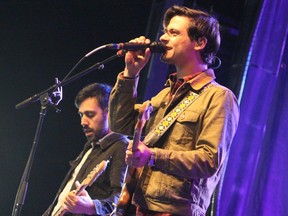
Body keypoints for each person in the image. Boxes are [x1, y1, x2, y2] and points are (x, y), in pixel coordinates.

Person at [108, 5, 240, 216]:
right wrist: (130, 74)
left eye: (173, 33)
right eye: (165, 31)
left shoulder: (219, 97)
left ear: (200, 43)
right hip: (138, 205)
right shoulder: (165, 93)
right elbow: (120, 124)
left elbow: (209, 160)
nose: (162, 38)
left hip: (174, 211)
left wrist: (152, 156)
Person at [43, 83, 129, 216]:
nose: (83, 122)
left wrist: (91, 207)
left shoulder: (121, 146)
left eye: (90, 114)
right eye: (81, 115)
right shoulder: (90, 146)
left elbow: (120, 199)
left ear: (110, 113)